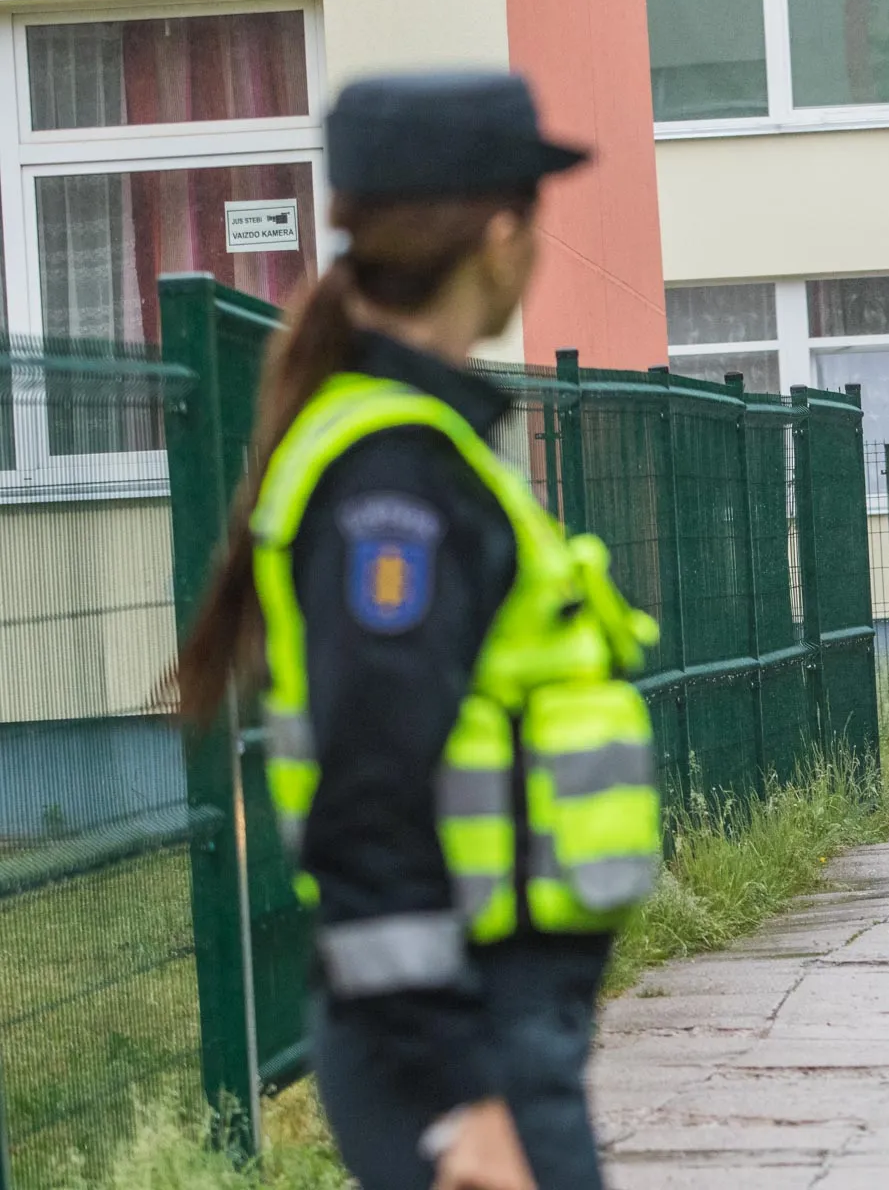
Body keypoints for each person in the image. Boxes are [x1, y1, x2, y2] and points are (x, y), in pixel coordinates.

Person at [176, 72, 663, 1190]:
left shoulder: (412, 444)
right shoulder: (391, 477)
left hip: (486, 1020)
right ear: (499, 235)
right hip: (456, 1037)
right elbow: (370, 800)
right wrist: (456, 1105)